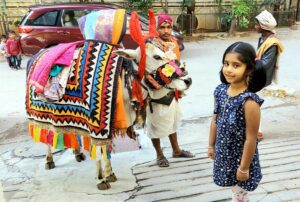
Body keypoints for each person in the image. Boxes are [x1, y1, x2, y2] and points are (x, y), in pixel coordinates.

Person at [208, 42, 266, 202]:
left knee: (240, 195)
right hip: (223, 153)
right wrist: (211, 145)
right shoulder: (220, 91)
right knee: (235, 191)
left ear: (248, 69)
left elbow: (251, 138)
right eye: (226, 64)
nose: (228, 69)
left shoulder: (249, 102)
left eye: (236, 65)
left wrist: (244, 167)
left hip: (241, 158)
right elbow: (215, 120)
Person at [148, 13, 194, 168]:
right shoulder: (150, 45)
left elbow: (177, 65)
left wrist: (181, 75)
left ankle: (176, 150)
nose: (166, 30)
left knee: (173, 120)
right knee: (155, 124)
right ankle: (159, 154)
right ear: (157, 28)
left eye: (169, 27)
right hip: (155, 90)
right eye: (162, 27)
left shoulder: (174, 43)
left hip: (172, 90)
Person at [254, 10, 284, 140]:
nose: (255, 26)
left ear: (263, 26)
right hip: (257, 74)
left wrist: (250, 64)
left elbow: (265, 63)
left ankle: (257, 131)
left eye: (257, 24)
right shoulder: (263, 38)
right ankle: (254, 129)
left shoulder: (272, 43)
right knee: (252, 102)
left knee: (253, 103)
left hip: (261, 77)